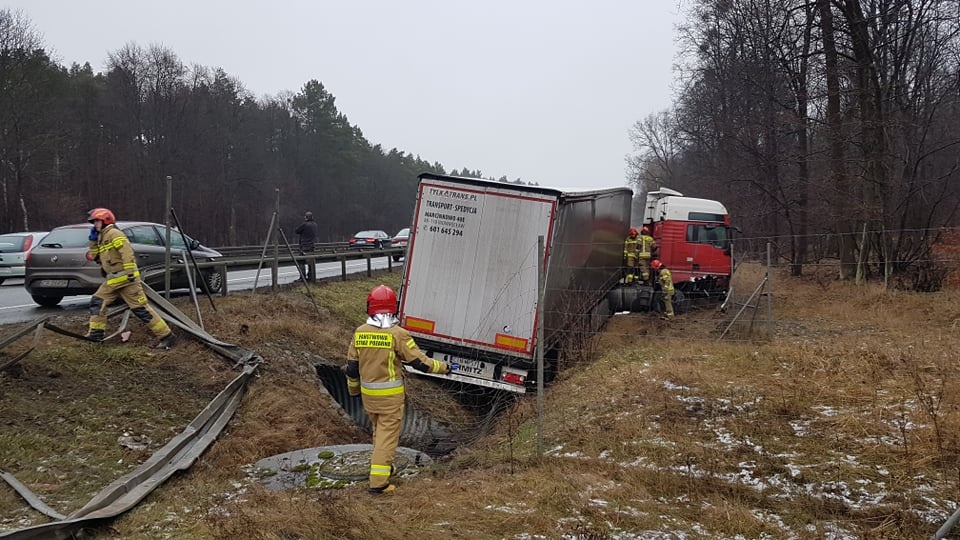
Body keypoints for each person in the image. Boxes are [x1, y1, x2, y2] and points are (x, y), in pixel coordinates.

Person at [343, 285, 452, 495]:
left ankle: (385, 467)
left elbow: (352, 367)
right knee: (387, 438)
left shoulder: (360, 332)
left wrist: (353, 392)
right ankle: (378, 483)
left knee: (379, 433)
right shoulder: (398, 334)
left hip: (368, 397)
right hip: (390, 399)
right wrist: (445, 368)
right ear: (393, 308)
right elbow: (420, 363)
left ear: (370, 306)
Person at [85, 208, 177, 348]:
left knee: (141, 309)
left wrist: (129, 273)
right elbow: (96, 257)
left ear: (105, 220)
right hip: (115, 280)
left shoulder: (114, 233)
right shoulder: (102, 236)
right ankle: (96, 334)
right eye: (93, 222)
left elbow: (127, 252)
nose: (94, 224)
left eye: (96, 221)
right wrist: (92, 241)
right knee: (98, 302)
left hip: (124, 279)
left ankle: (167, 336)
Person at [294, 211, 318, 282]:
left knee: (301, 261)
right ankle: (311, 276)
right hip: (311, 246)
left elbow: (297, 231)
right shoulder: (315, 225)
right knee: (311, 263)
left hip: (304, 246)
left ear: (306, 217)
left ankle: (302, 277)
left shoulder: (305, 225)